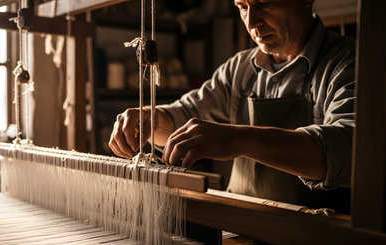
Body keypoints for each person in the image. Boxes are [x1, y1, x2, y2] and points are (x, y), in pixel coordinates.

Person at [109, 0, 355, 213]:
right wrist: (152, 119)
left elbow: (345, 150)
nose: (252, 22)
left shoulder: (348, 62)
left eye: (265, 4)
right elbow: (186, 115)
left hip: (318, 233)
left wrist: (240, 139)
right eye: (243, 6)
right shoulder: (240, 68)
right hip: (242, 226)